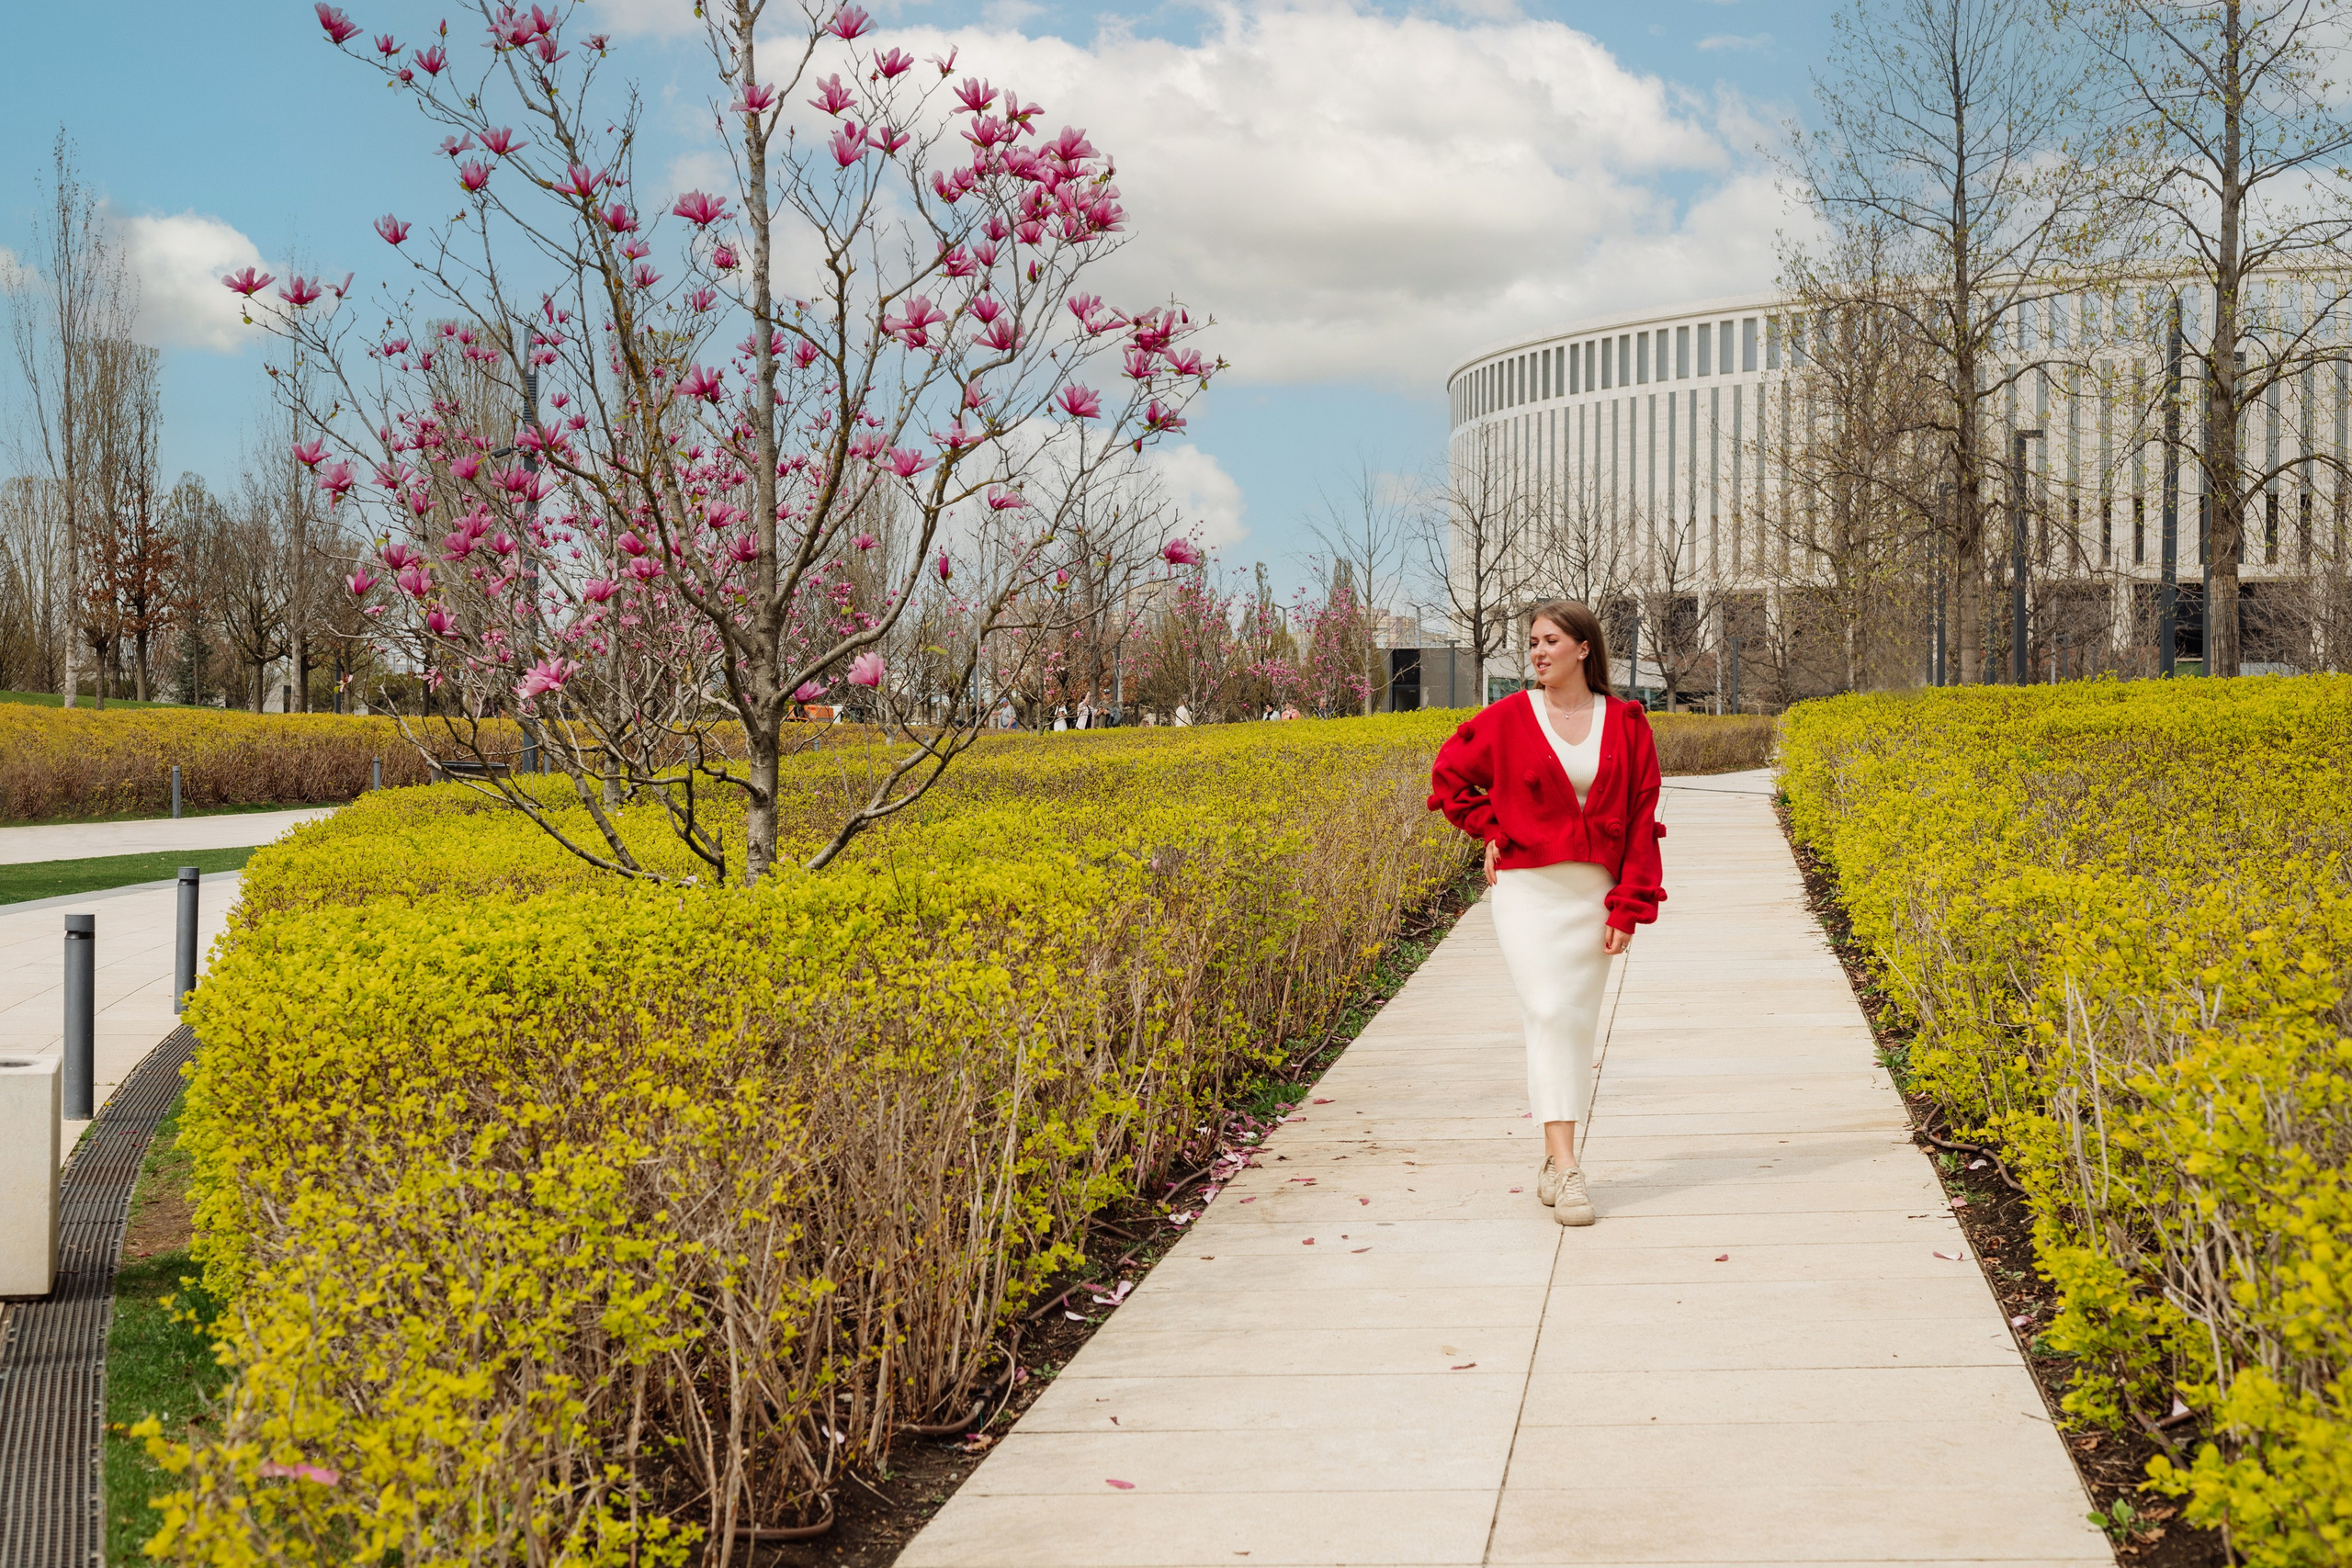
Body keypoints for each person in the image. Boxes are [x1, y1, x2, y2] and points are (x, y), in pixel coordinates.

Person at [1426, 600, 1665, 1226]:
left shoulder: (1629, 723)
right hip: (1527, 892)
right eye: (1531, 641)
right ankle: (1568, 1168)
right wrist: (1489, 828)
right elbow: (1449, 777)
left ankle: (1553, 1153)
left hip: (1595, 896)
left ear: (1583, 648)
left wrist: (1629, 904)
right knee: (1549, 1010)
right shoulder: (1507, 718)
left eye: (1549, 640)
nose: (1536, 651)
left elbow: (1641, 824)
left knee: (1570, 1028)